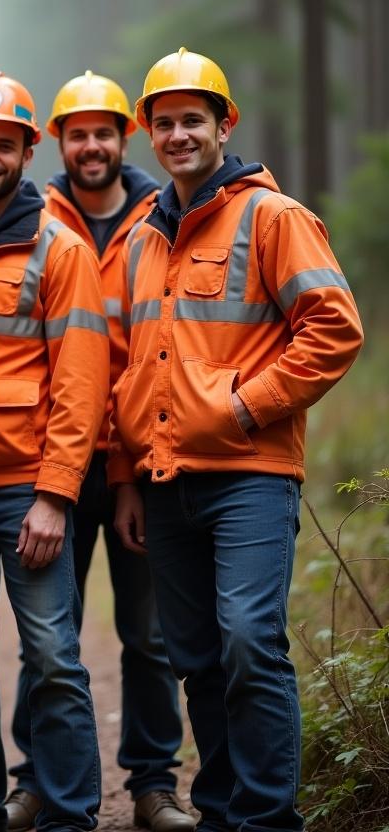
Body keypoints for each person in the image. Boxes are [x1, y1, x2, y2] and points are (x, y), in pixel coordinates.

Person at [110, 48, 364, 832]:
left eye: (194, 120)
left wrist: (249, 407)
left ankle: (265, 819)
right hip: (164, 480)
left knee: (250, 643)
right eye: (165, 123)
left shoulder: (272, 218)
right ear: (149, 135)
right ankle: (221, 812)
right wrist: (125, 476)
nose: (179, 134)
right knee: (197, 658)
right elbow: (125, 365)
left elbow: (334, 328)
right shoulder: (141, 241)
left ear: (226, 125)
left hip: (249, 475)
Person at [4, 71, 193, 832]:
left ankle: (154, 783)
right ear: (60, 142)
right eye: (77, 133)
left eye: (104, 132)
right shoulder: (33, 217)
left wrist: (132, 469)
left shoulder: (161, 220)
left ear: (126, 138)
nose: (91, 145)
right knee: (46, 631)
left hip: (143, 460)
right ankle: (35, 780)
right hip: (53, 458)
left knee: (148, 632)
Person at [0, 71, 110, 832]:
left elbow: (81, 382)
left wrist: (55, 493)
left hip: (22, 494)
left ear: (28, 151)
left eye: (6, 145)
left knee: (53, 660)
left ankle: (69, 816)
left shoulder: (60, 250)